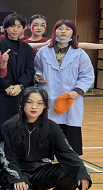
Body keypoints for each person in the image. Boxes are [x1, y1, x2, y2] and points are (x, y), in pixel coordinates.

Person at [0, 87, 92, 190]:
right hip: (16, 171)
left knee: (73, 171)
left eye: (39, 103)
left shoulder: (51, 127)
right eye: (29, 102)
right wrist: (17, 178)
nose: (34, 107)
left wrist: (82, 172)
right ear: (22, 103)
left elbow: (67, 152)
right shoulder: (9, 126)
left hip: (40, 170)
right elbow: (5, 157)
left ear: (45, 106)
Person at [34, 20, 95, 155]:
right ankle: (46, 158)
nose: (63, 31)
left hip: (71, 98)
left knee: (70, 132)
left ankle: (70, 160)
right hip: (49, 96)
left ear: (73, 33)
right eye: (60, 28)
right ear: (54, 31)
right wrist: (38, 75)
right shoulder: (43, 52)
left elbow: (87, 75)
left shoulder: (79, 53)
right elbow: (37, 68)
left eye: (67, 29)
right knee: (47, 129)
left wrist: (77, 91)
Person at [0, 13, 35, 126]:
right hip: (1, 91)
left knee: (20, 123)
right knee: (1, 123)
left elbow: (30, 70)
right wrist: (5, 86)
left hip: (21, 92)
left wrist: (20, 86)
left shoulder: (27, 48)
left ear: (23, 28)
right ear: (5, 28)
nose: (15, 29)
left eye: (18, 26)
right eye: (12, 26)